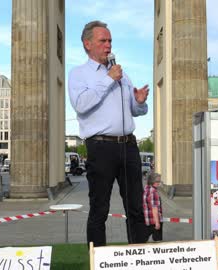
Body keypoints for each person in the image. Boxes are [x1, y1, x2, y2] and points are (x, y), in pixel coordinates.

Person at [68, 20, 150, 247]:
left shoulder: (122, 75)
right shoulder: (79, 74)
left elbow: (135, 110)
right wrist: (108, 79)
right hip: (101, 147)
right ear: (87, 44)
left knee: (135, 207)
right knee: (99, 208)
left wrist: (140, 102)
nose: (108, 45)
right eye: (103, 41)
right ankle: (98, 258)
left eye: (110, 41)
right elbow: (82, 104)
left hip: (129, 146)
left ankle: (139, 256)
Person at [143, 173, 163, 242]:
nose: (159, 183)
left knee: (143, 240)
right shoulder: (154, 192)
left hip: (147, 220)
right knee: (158, 242)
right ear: (152, 181)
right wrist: (157, 222)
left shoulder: (146, 189)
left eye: (159, 181)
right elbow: (155, 208)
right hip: (154, 221)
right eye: (157, 181)